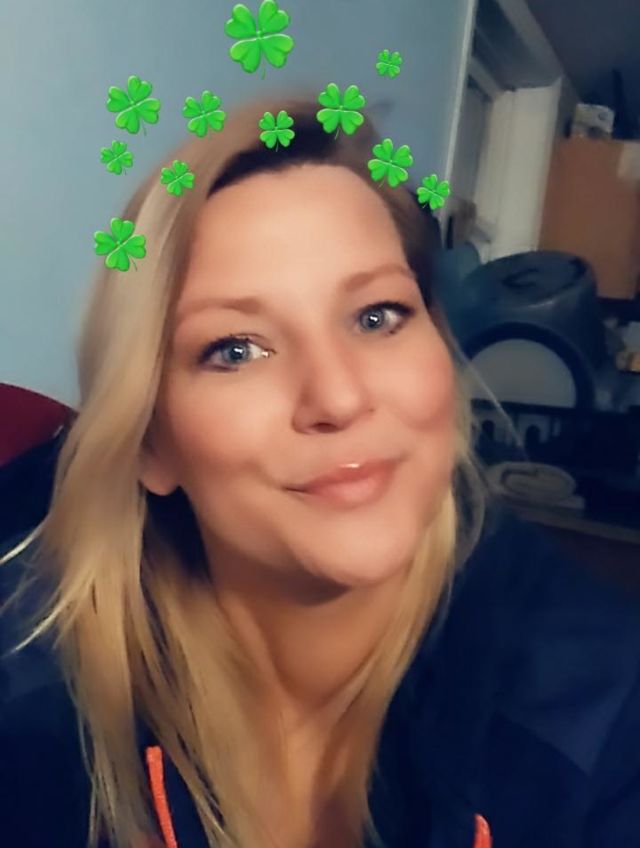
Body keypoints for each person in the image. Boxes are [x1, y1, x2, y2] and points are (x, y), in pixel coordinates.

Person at [1, 93, 640, 848]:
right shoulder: (37, 698)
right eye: (236, 349)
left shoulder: (602, 716)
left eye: (377, 316)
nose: (337, 396)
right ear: (149, 443)